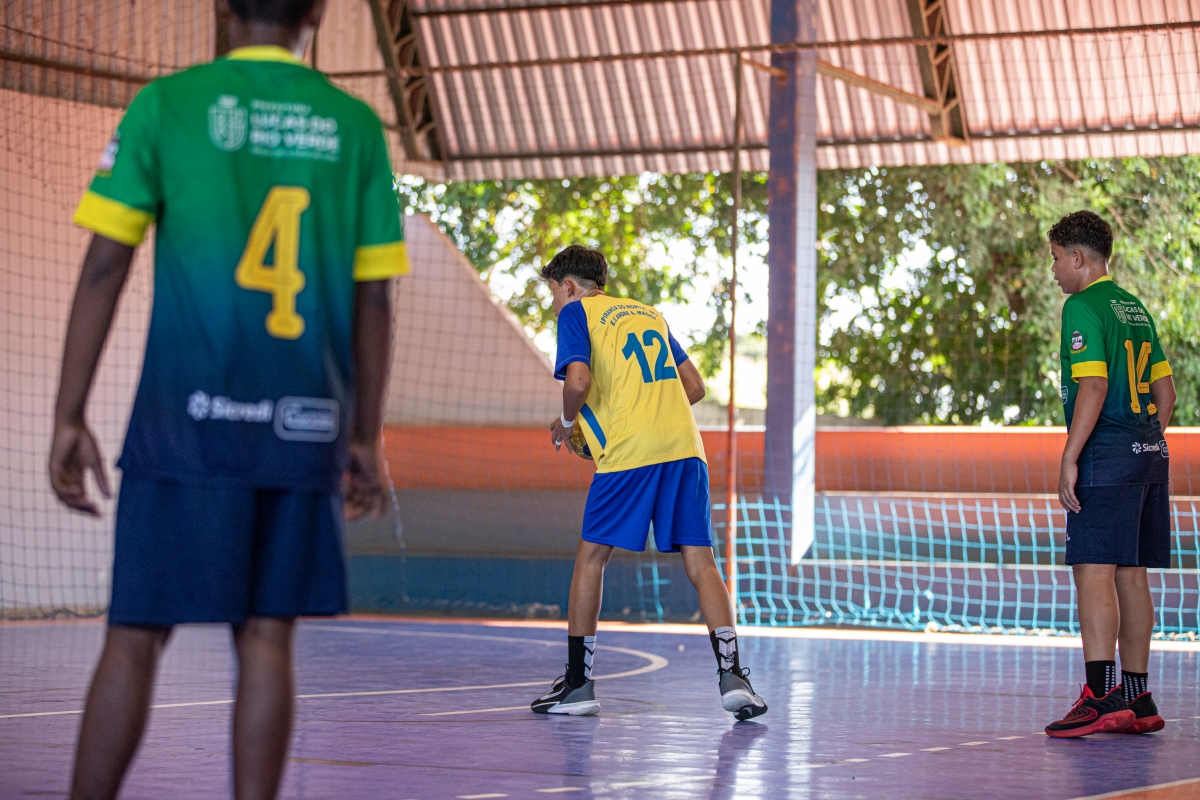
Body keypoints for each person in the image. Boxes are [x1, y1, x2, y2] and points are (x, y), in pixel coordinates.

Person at [48, 0, 409, 796]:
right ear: (318, 10)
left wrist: (68, 413)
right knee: (267, 638)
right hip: (303, 425)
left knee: (134, 634)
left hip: (181, 422)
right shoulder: (354, 126)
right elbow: (376, 298)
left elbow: (105, 263)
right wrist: (362, 435)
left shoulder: (166, 106)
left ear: (220, 5)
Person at [530, 245, 767, 721]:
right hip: (685, 449)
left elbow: (577, 383)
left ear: (569, 287)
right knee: (702, 563)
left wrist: (567, 422)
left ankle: (578, 685)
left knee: (592, 558)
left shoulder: (576, 313)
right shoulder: (648, 314)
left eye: (553, 293)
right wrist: (647, 409)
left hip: (630, 453)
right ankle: (734, 677)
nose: (555, 304)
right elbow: (694, 387)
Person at [1044, 211, 1174, 739]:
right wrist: (1142, 441)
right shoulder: (1135, 308)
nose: (1053, 269)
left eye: (1056, 258)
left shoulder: (1081, 306)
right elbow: (1166, 392)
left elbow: (1093, 385)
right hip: (1149, 453)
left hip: (1107, 454)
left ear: (1078, 257)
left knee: (1093, 569)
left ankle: (1099, 697)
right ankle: (1137, 696)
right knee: (1131, 573)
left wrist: (1070, 456)